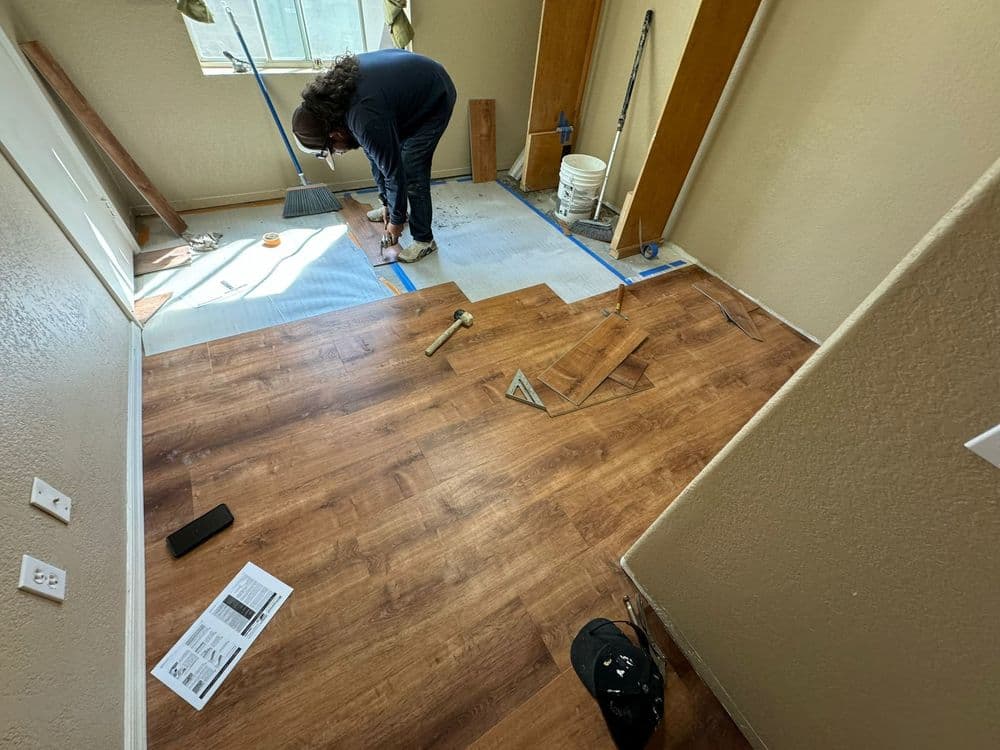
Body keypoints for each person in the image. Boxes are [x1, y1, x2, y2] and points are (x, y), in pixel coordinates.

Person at [292, 49, 456, 263]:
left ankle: (424, 240)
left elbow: (393, 172)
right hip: (405, 96)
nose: (340, 152)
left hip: (434, 95)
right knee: (386, 155)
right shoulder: (339, 105)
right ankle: (398, 210)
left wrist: (395, 222)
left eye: (335, 149)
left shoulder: (365, 118)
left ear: (334, 134)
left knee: (411, 168)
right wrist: (386, 202)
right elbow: (376, 157)